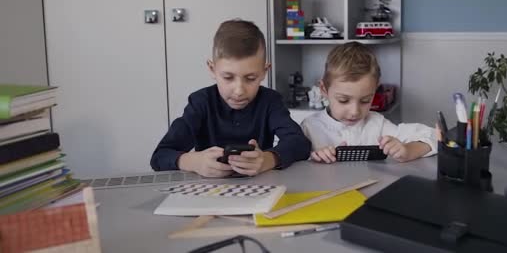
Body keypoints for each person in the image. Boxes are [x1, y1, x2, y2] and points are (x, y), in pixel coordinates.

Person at [150, 19, 311, 176]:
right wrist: (193, 162)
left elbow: (300, 144)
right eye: (228, 77)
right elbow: (160, 156)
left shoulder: (270, 101)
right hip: (209, 192)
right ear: (212, 69)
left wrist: (268, 159)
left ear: (264, 71)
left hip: (261, 189)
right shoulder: (201, 102)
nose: (239, 90)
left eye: (250, 78)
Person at [301, 42, 437, 163]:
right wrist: (313, 159)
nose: (355, 111)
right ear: (324, 89)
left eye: (365, 100)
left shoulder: (377, 124)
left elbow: (432, 136)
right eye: (343, 100)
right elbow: (294, 164)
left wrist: (408, 151)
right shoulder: (309, 128)